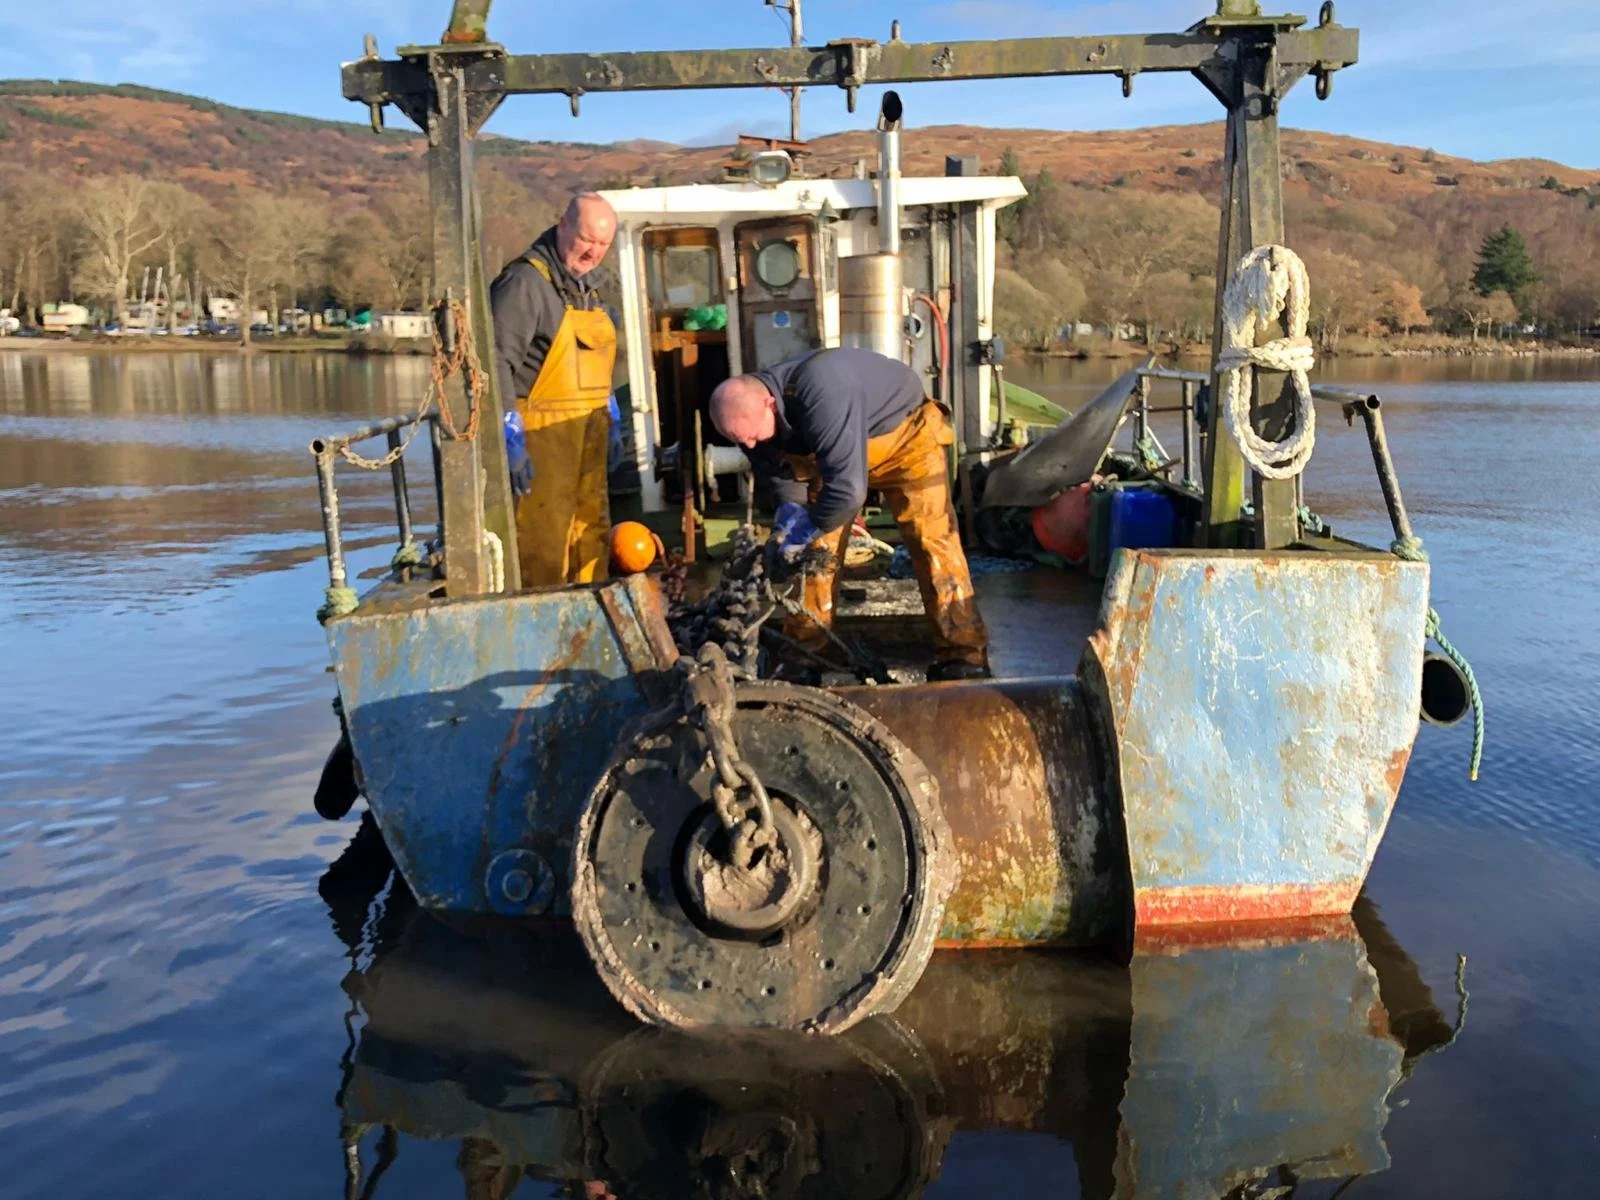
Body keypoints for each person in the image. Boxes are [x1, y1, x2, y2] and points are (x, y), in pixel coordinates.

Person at [710, 347, 990, 681]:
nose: (751, 446)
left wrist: (807, 528)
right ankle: (804, 654)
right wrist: (790, 515)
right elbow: (780, 471)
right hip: (833, 453)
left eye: (754, 436)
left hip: (907, 439)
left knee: (933, 541)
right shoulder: (744, 419)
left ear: (770, 403)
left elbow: (847, 491)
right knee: (815, 557)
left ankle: (963, 655)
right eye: (741, 441)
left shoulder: (822, 391)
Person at [490, 193, 618, 587]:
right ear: (562, 225)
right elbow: (495, 362)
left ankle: (590, 616)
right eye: (586, 240)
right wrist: (508, 434)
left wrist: (612, 414)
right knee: (543, 544)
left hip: (587, 440)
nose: (593, 252)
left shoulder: (591, 289)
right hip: (541, 445)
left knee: (589, 531)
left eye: (603, 245)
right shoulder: (524, 283)